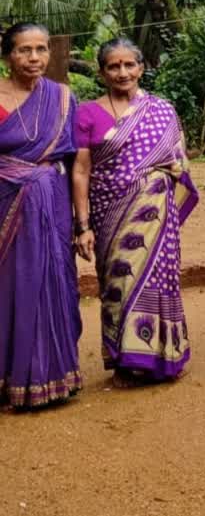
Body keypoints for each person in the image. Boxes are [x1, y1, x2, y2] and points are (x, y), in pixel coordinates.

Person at [71, 37, 198, 384]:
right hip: (109, 213)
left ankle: (164, 356)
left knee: (159, 279)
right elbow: (80, 171)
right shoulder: (86, 113)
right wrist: (82, 225)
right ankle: (125, 361)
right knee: (118, 282)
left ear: (141, 68)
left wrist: (156, 176)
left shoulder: (162, 109)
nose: (122, 72)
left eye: (129, 65)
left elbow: (178, 160)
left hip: (156, 212)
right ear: (102, 72)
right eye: (113, 66)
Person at [0, 22, 83, 408]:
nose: (34, 58)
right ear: (8, 56)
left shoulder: (62, 98)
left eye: (41, 49)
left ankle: (51, 374)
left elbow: (78, 163)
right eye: (24, 50)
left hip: (52, 206)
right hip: (6, 205)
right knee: (10, 286)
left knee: (51, 281)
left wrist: (82, 223)